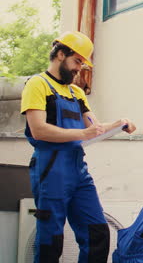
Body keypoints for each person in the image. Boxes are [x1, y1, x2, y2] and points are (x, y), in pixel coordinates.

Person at [21, 31, 136, 262]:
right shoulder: (37, 84)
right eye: (77, 62)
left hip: (78, 171)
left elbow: (94, 127)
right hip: (50, 168)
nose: (78, 69)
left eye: (82, 64)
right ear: (61, 54)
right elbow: (38, 130)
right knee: (50, 241)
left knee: (97, 234)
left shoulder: (77, 92)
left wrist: (119, 123)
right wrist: (83, 133)